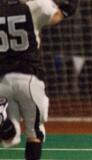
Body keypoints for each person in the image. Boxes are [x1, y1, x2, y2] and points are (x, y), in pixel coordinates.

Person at [0, 0, 77, 159]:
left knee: (10, 137)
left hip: (3, 80)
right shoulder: (34, 6)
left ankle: (5, 123)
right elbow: (57, 16)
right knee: (35, 132)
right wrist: (69, 7)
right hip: (29, 78)